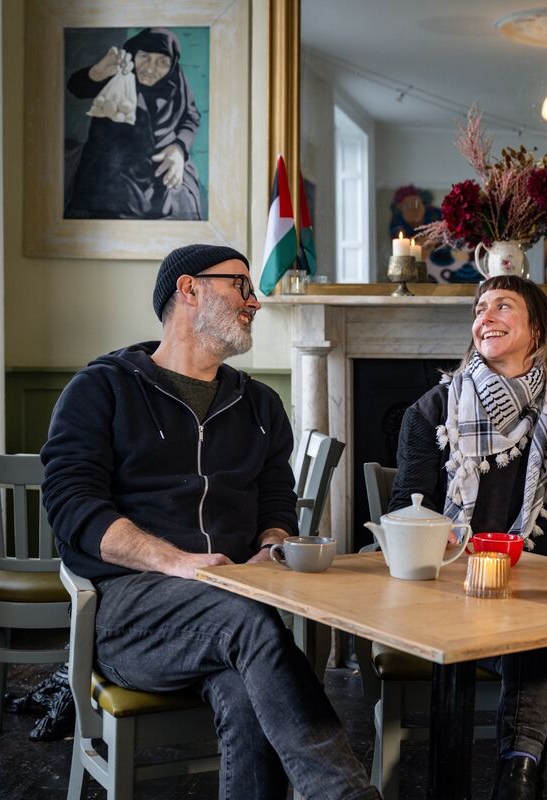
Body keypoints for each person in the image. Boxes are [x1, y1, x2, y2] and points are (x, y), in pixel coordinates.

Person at [41, 244, 379, 800]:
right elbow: (72, 506)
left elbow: (276, 505)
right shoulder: (101, 388)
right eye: (241, 286)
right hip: (128, 612)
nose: (255, 301)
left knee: (249, 693)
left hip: (229, 611)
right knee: (248, 621)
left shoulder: (261, 405)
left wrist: (272, 546)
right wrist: (175, 562)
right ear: (189, 289)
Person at [389, 275, 547, 800]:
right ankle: (508, 767)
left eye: (503, 306)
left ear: (537, 331)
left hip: (528, 582)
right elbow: (402, 511)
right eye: (480, 308)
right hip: (446, 584)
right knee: (532, 616)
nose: (485, 315)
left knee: (545, 612)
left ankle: (519, 770)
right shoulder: (432, 410)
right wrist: (438, 545)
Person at [65, 28, 203, 220]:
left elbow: (191, 116)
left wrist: (179, 149)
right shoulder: (120, 74)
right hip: (112, 170)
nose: (149, 68)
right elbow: (76, 87)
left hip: (163, 168)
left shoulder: (176, 82)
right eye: (144, 57)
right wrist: (97, 72)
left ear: (172, 65)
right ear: (134, 53)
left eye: (162, 62)